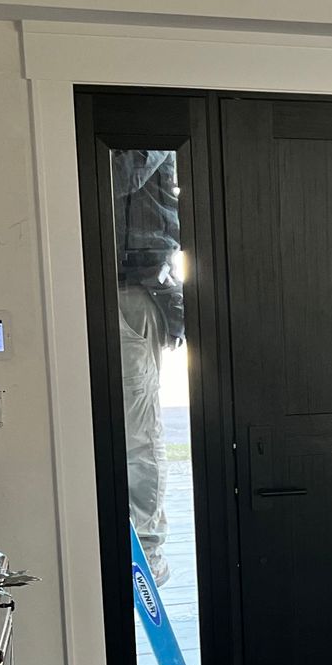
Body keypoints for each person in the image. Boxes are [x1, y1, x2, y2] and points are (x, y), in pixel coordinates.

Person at [114, 150, 186, 587]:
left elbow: (117, 178)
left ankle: (147, 554)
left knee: (138, 435)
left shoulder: (143, 135)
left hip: (132, 293)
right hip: (113, 288)